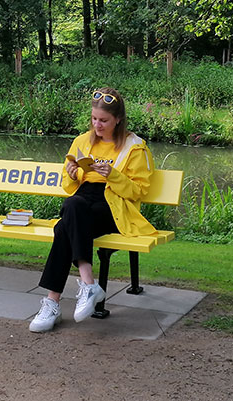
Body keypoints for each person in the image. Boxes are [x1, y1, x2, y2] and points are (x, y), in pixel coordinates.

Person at [29, 87, 157, 333]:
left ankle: (52, 303)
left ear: (118, 119)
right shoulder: (81, 141)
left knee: (66, 222)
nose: (97, 125)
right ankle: (87, 284)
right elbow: (68, 187)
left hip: (113, 205)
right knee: (72, 208)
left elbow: (139, 191)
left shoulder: (135, 147)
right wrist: (74, 173)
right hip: (82, 201)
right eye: (94, 119)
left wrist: (115, 175)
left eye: (104, 120)